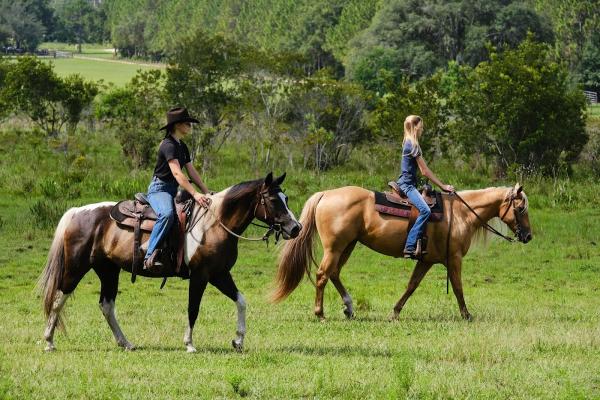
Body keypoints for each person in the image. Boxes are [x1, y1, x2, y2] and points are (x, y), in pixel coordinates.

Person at [143, 107, 211, 271]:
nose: (190, 126)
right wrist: (194, 194)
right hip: (160, 189)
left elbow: (191, 171)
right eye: (187, 123)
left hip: (173, 190)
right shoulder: (168, 145)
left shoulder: (182, 146)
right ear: (177, 125)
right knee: (166, 214)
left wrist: (205, 190)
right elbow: (176, 173)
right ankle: (148, 255)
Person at [396, 115, 454, 258]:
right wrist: (443, 186)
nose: (422, 130)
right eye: (421, 127)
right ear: (415, 127)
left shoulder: (408, 142)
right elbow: (425, 171)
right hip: (407, 185)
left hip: (407, 182)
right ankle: (409, 245)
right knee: (425, 211)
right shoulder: (413, 145)